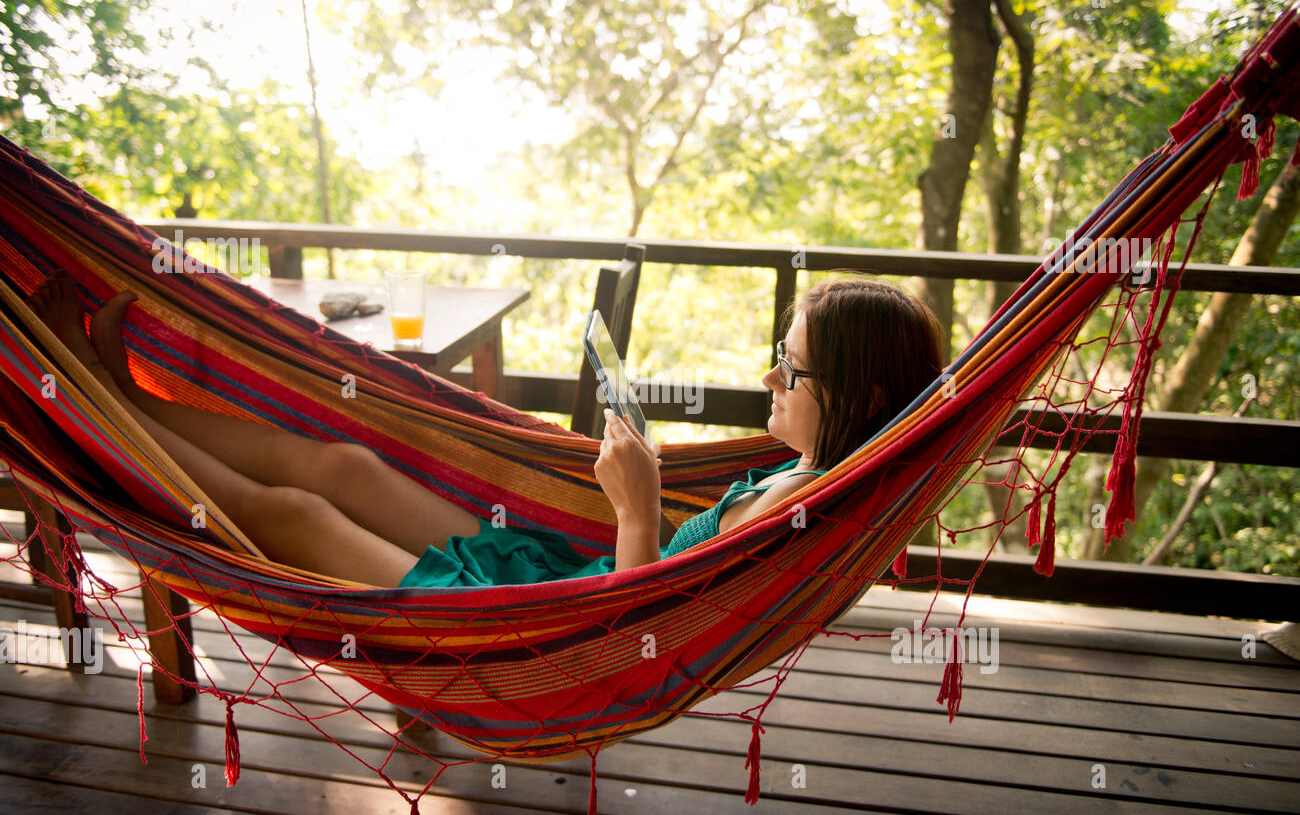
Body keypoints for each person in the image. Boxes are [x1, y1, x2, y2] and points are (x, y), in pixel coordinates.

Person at [28, 275, 942, 589]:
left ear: (856, 391)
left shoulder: (804, 510)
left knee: (299, 513)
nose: (768, 377)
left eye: (791, 368)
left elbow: (634, 639)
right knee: (344, 460)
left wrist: (638, 505)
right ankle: (115, 391)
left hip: (552, 624)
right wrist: (642, 495)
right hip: (560, 573)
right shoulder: (813, 481)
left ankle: (90, 401)